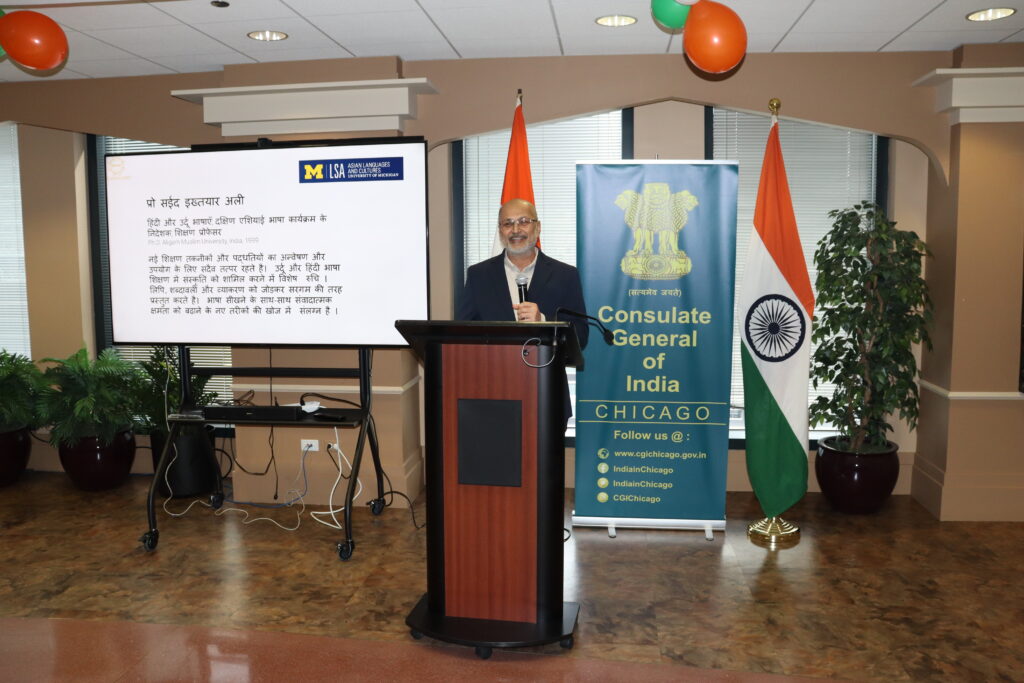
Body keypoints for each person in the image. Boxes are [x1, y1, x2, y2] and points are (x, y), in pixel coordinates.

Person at [456, 198, 588, 426]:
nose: (515, 230)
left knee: (543, 462)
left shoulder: (566, 275)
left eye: (523, 222)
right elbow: (462, 335)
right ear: (500, 231)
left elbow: (582, 336)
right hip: (491, 393)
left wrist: (544, 321)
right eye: (508, 223)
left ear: (537, 227)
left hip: (546, 391)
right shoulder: (479, 275)